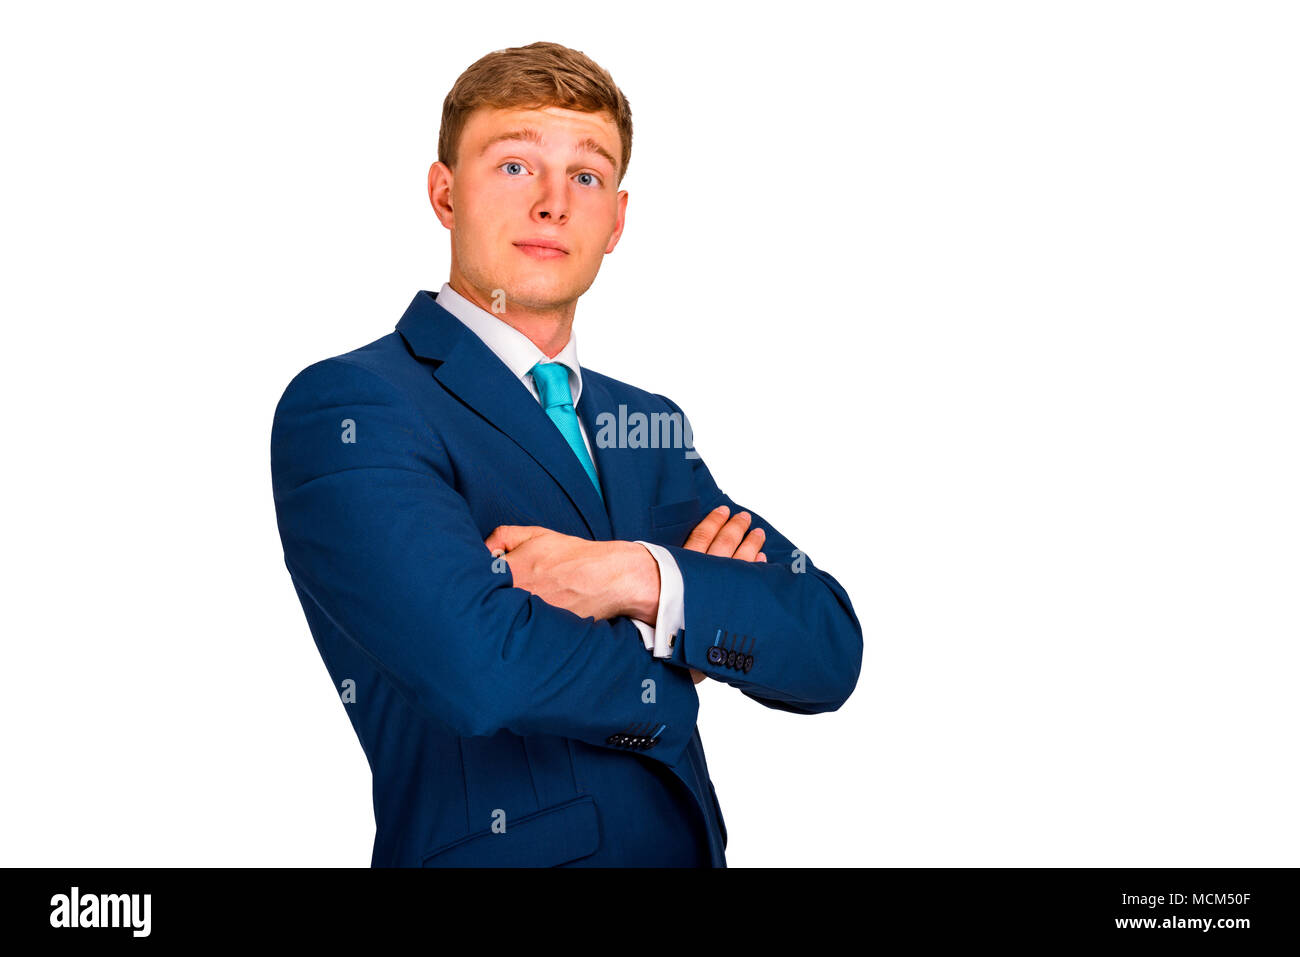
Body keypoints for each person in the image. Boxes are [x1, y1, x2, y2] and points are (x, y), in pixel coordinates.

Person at [270, 40, 863, 867]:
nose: (553, 203)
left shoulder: (644, 423)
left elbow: (826, 644)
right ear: (445, 193)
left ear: (616, 219)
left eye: (585, 176)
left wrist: (630, 576)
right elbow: (476, 671)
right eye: (515, 166)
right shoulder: (355, 404)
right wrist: (680, 643)